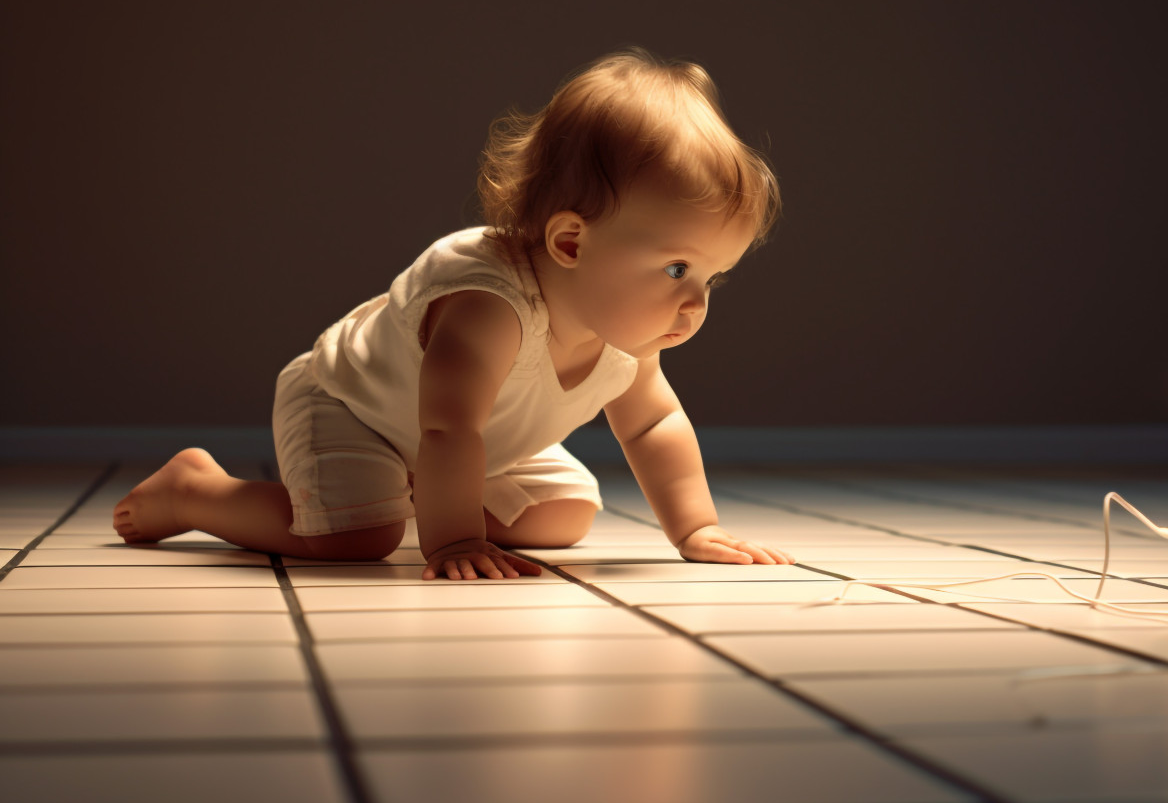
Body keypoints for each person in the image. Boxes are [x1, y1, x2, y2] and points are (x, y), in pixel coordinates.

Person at [113, 48, 794, 581]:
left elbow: (652, 424)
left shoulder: (624, 328)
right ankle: (195, 491)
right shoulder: (489, 307)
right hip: (354, 406)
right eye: (677, 269)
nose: (695, 302)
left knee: (564, 516)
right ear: (570, 243)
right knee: (358, 538)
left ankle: (418, 492)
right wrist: (454, 539)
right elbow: (447, 426)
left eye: (712, 277)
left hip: (459, 441)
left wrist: (695, 527)